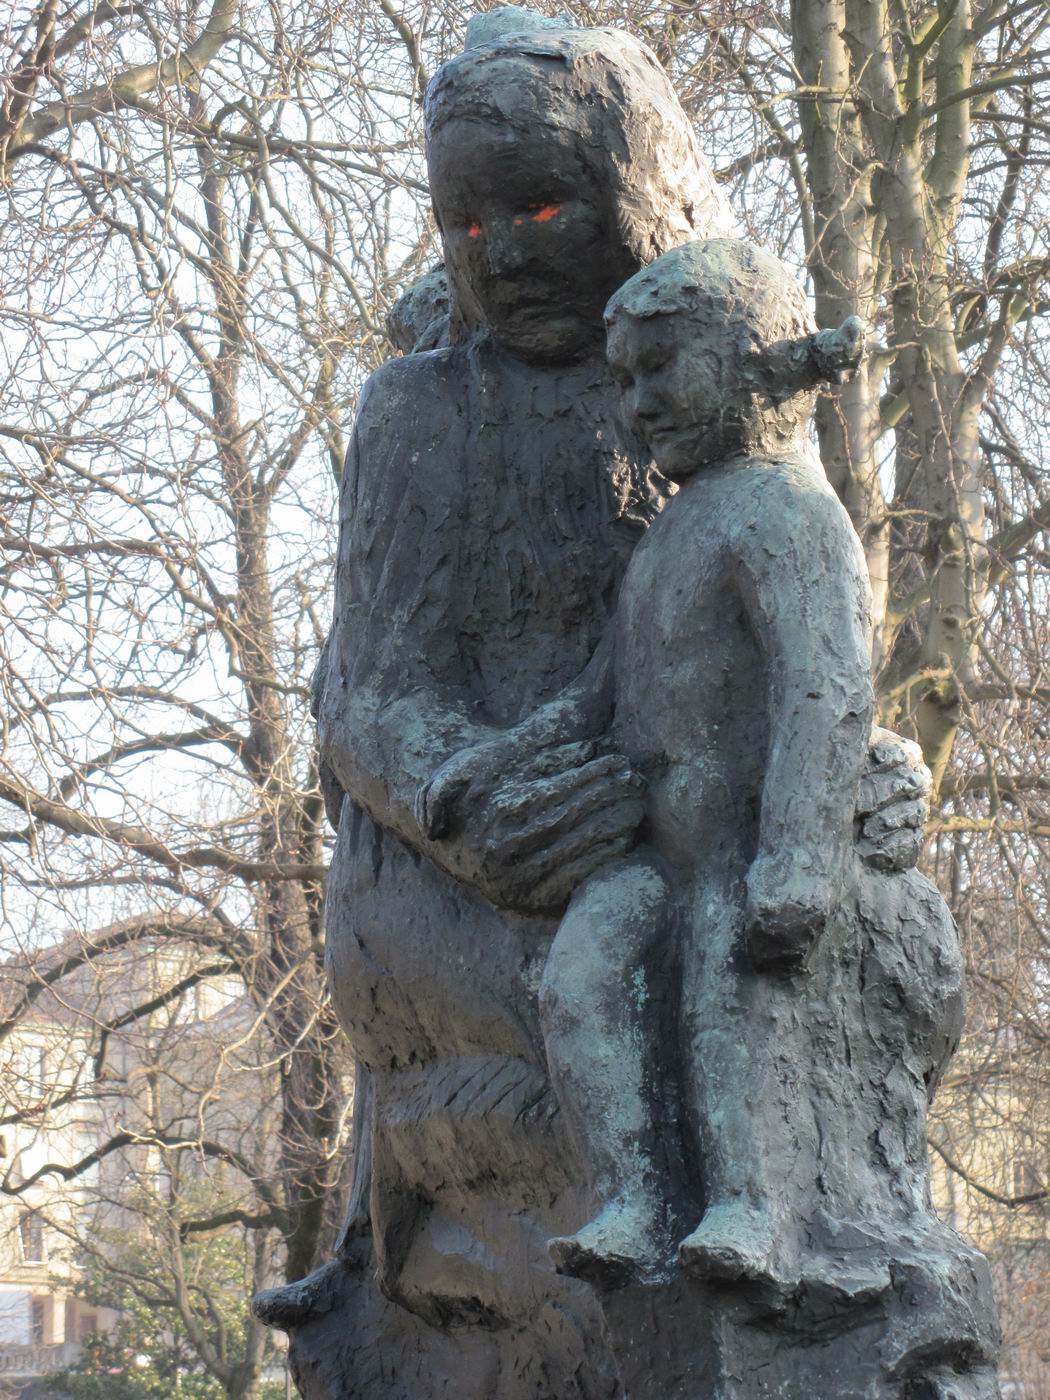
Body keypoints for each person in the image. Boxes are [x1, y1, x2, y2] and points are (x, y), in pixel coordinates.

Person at [255, 10, 936, 1391]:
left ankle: (814, 1284)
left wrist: (870, 764)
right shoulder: (418, 412)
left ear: (641, 202)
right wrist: (469, 800)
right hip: (454, 871)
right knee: (603, 988)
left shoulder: (720, 395)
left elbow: (801, 653)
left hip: (692, 830)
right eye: (466, 224)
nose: (500, 252)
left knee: (884, 940)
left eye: (541, 208)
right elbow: (365, 692)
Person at [452, 238, 873, 1288]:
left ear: (752, 361)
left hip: (736, 847)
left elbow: (825, 688)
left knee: (726, 1007)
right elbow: (602, 691)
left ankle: (750, 1207)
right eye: (624, 379)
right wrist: (498, 758)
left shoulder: (789, 513)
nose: (636, 406)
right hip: (653, 846)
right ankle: (634, 1196)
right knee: (579, 985)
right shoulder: (672, 532)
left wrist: (798, 856)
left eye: (659, 369)